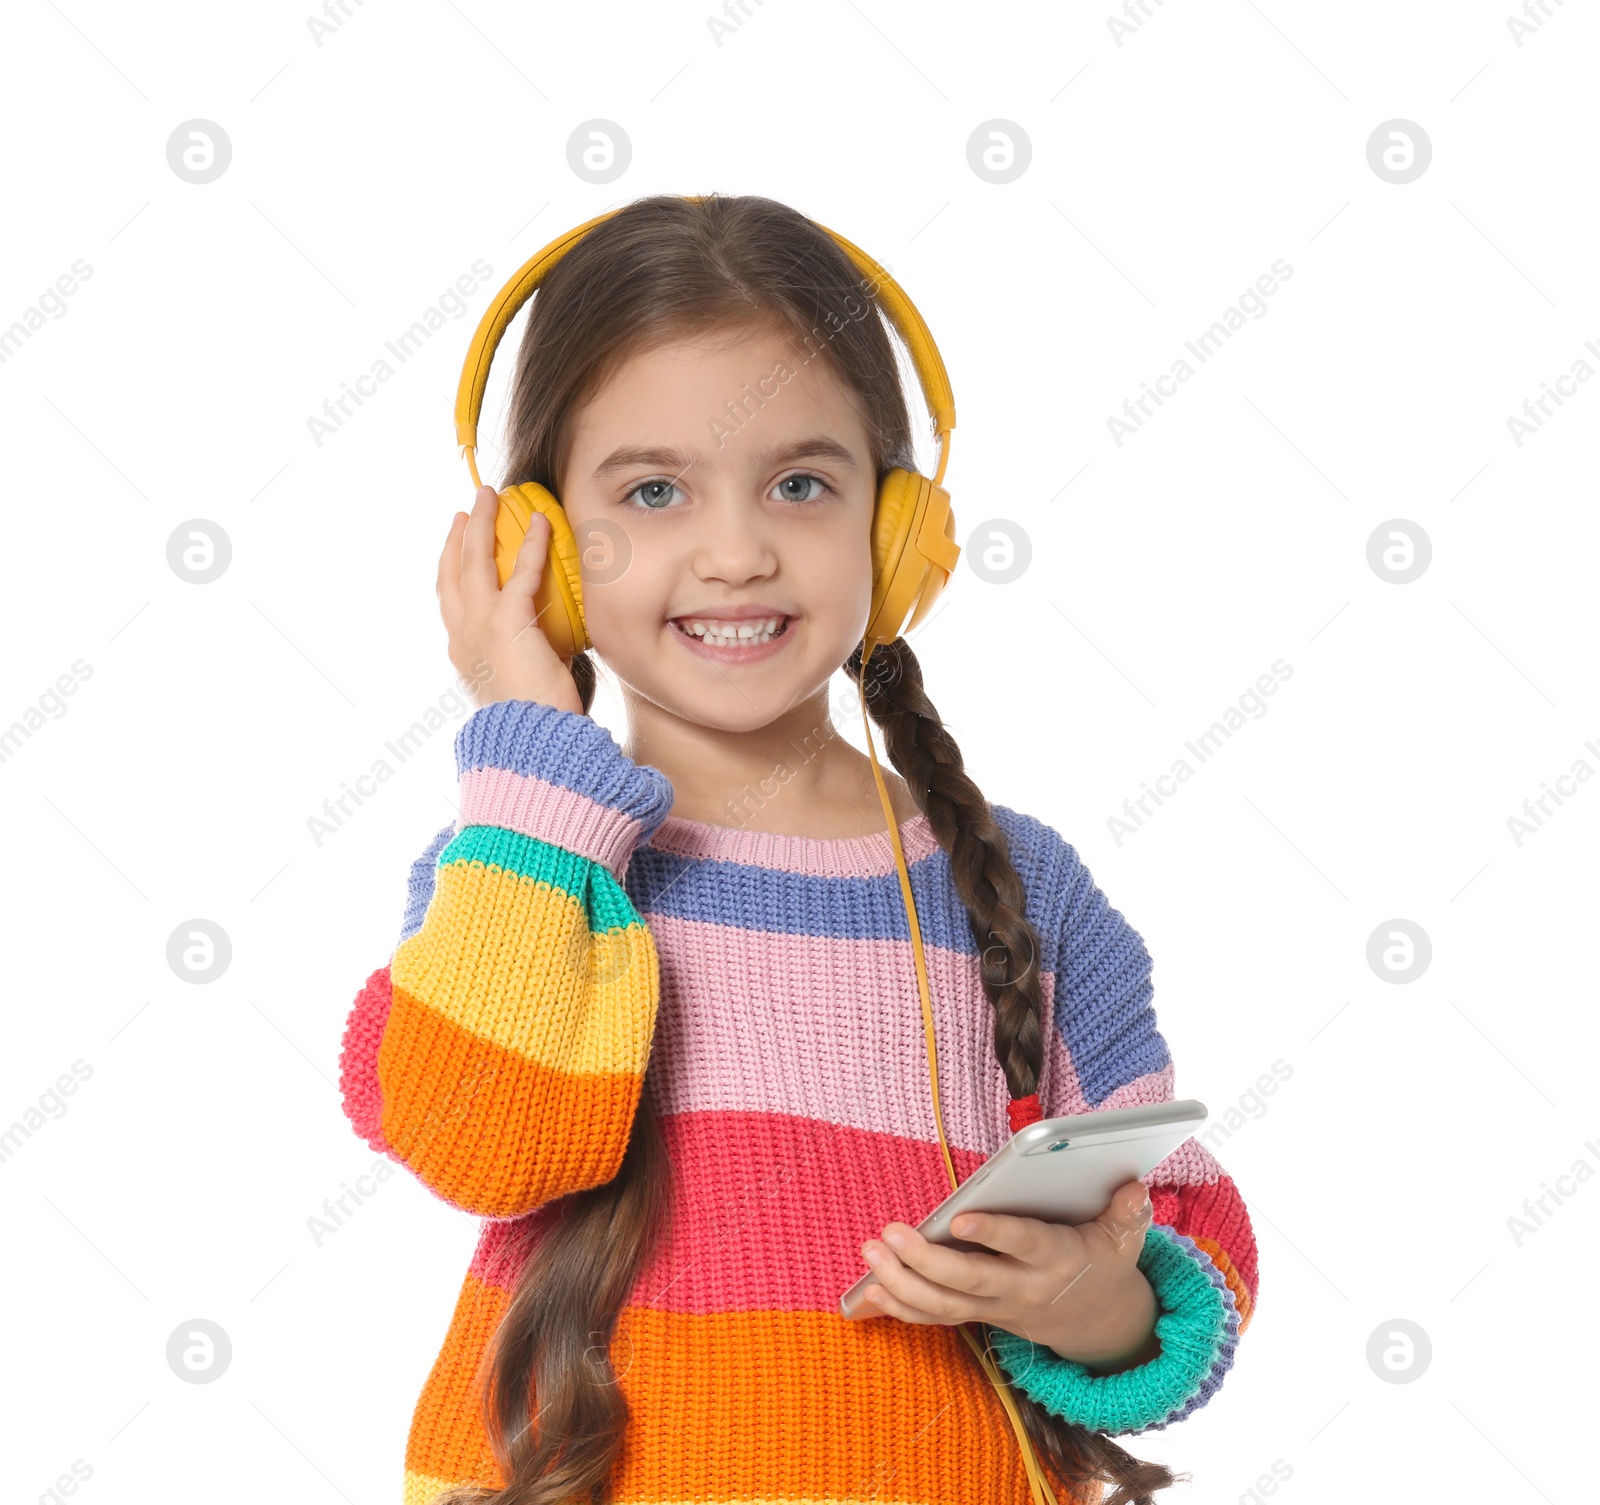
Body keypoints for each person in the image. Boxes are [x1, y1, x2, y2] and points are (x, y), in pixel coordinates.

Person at [337, 193, 1257, 1505]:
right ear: (533, 548)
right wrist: (527, 745)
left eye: (802, 482)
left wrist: (1100, 1301)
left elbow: (1187, 1231)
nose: (736, 549)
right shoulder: (523, 865)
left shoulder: (1024, 888)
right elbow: (482, 1140)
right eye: (653, 490)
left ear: (894, 535)